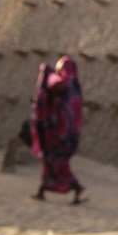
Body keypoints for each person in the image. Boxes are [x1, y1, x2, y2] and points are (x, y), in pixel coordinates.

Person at [30, 55, 85, 204]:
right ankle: (44, 190)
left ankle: (75, 187)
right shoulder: (75, 88)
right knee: (52, 162)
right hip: (67, 135)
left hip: (58, 134)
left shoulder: (64, 85)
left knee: (55, 163)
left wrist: (45, 74)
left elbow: (50, 89)